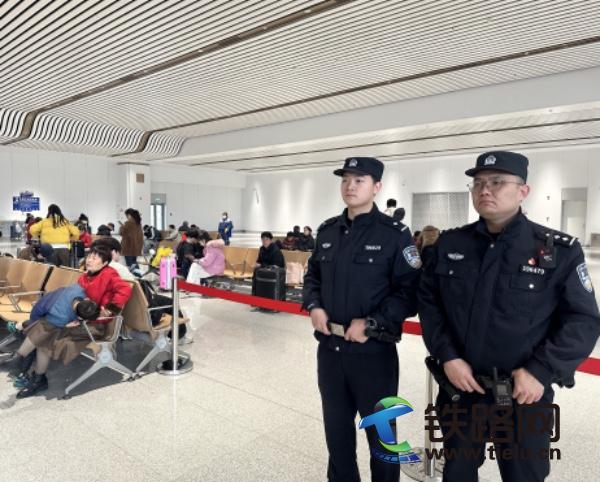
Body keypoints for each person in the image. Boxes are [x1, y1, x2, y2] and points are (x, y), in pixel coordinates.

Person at [418, 151, 600, 482]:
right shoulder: (451, 244)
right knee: (457, 473)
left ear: (523, 191)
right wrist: (447, 356)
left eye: (497, 182)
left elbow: (583, 320)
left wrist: (541, 370)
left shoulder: (556, 251)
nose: (485, 190)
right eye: (478, 183)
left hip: (523, 395)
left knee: (524, 475)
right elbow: (430, 304)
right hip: (462, 390)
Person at [302, 157, 421, 482]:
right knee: (337, 435)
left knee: (383, 440)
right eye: (345, 180)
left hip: (374, 355)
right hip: (330, 351)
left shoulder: (394, 234)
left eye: (359, 180)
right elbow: (313, 276)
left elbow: (409, 292)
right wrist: (314, 305)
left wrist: (372, 323)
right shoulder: (328, 231)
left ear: (377, 187)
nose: (350, 186)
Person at [0, 285, 101, 398]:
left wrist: (67, 324)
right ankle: (37, 378)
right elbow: (43, 319)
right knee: (45, 332)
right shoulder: (61, 315)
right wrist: (66, 324)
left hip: (48, 316)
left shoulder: (77, 289)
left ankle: (20, 359)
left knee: (45, 334)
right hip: (41, 316)